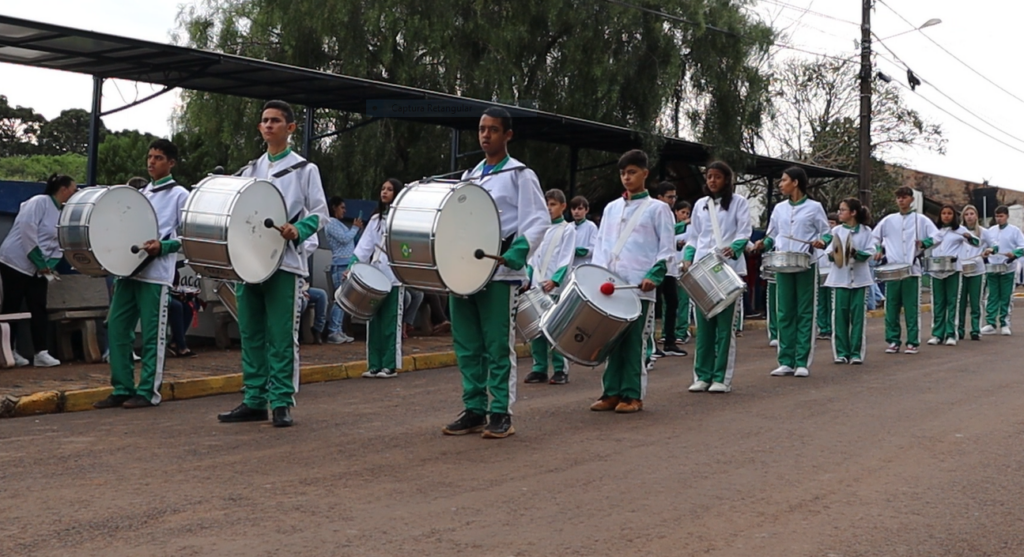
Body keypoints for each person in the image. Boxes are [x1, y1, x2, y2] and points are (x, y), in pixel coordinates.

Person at [217, 100, 329, 427]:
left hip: (285, 262)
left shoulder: (305, 169)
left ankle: (281, 402)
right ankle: (254, 399)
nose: (269, 126)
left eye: (276, 121)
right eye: (265, 121)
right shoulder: (249, 170)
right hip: (248, 262)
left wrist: (299, 229)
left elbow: (319, 213)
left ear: (290, 128)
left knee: (281, 336)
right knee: (250, 333)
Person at [441, 107, 548, 439]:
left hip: (500, 275)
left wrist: (517, 252)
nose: (485, 135)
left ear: (507, 135)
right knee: (468, 345)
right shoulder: (469, 177)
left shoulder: (520, 174)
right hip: (464, 272)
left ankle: (500, 411)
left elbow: (538, 220)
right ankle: (474, 408)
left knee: (497, 346)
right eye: (482, 129)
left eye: (493, 130)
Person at [93, 139, 190, 409]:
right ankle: (122, 387)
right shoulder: (141, 193)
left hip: (155, 275)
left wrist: (164, 246)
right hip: (128, 272)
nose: (151, 162)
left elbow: (189, 236)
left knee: (152, 334)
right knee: (117, 327)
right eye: (150, 156)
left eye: (158, 157)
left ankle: (148, 391)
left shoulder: (180, 195)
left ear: (171, 163)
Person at [588, 150, 674, 413]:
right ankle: (611, 392)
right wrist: (598, 277)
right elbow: (601, 246)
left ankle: (632, 394)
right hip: (611, 287)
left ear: (645, 174)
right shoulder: (612, 208)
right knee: (611, 341)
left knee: (635, 341)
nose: (627, 177)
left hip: (639, 286)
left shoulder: (658, 209)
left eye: (632, 172)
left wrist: (654, 275)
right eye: (623, 173)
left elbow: (667, 248)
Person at [682, 161, 751, 393]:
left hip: (727, 268)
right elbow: (693, 237)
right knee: (703, 325)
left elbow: (744, 232)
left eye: (717, 177)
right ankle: (702, 375)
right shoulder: (700, 205)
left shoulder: (739, 203)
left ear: (727, 179)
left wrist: (735, 247)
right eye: (709, 176)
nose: (712, 181)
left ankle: (721, 377)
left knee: (724, 327)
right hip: (702, 269)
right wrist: (688, 258)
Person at [754, 166, 830, 378]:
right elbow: (772, 235)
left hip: (806, 263)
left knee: (805, 312)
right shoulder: (779, 209)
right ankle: (785, 360)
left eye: (784, 180)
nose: (780, 184)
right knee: (784, 311)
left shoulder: (815, 207)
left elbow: (827, 233)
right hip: (783, 263)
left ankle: (802, 361)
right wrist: (763, 244)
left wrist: (822, 241)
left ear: (795, 182)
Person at [0, 173, 76, 368]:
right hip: (15, 262)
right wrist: (39, 262)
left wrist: (48, 266)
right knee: (12, 305)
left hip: (39, 269)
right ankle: (8, 350)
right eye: (73, 189)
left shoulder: (64, 212)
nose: (75, 193)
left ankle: (41, 352)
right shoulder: (38, 202)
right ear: (63, 189)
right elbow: (27, 230)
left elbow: (60, 242)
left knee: (39, 307)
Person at [872, 186, 938, 354]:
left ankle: (912, 341)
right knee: (891, 307)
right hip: (893, 269)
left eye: (904, 197)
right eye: (899, 197)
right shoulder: (888, 220)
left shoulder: (921, 220)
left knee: (911, 307)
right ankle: (893, 340)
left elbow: (937, 236)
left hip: (911, 268)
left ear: (911, 199)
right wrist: (879, 249)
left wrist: (924, 244)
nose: (901, 200)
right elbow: (874, 237)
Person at [350, 178, 405, 379]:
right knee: (372, 321)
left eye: (390, 189)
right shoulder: (375, 220)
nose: (385, 192)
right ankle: (374, 364)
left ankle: (389, 365)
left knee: (390, 322)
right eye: (383, 189)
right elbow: (364, 247)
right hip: (375, 276)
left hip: (394, 277)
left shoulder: (403, 219)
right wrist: (352, 266)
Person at [523, 188, 576, 385]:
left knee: (555, 329)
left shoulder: (567, 229)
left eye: (553, 204)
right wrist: (527, 279)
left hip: (554, 288)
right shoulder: (540, 229)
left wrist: (555, 280)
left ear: (563, 206)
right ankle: (539, 367)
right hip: (536, 286)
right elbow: (532, 259)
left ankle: (560, 368)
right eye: (546, 204)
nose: (549, 208)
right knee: (536, 329)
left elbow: (566, 258)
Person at [825, 198, 874, 364]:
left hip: (860, 280)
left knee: (858, 318)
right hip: (840, 280)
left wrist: (855, 253)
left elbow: (869, 253)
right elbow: (830, 253)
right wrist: (834, 254)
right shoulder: (836, 231)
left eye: (843, 210)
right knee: (840, 317)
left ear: (853, 212)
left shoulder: (866, 231)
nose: (840, 213)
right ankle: (841, 352)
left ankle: (856, 353)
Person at [926, 204, 976, 346]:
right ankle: (937, 334)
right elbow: (927, 244)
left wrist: (969, 237)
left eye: (949, 213)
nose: (946, 216)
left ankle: (951, 334)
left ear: (954, 216)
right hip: (936, 270)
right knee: (937, 302)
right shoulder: (935, 231)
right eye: (944, 213)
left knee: (952, 301)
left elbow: (976, 243)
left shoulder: (960, 230)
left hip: (953, 269)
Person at [651, 181, 686, 358]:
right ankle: (651, 343)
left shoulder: (670, 215)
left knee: (672, 303)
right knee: (654, 306)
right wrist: (685, 224)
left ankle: (669, 341)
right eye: (669, 197)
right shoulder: (654, 212)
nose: (673, 200)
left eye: (674, 197)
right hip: (656, 266)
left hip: (670, 267)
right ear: (660, 198)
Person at [980, 205, 1024, 336]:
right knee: (992, 295)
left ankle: (1005, 323)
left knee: (1006, 296)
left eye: (1001, 216)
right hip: (992, 267)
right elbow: (985, 245)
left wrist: (1014, 253)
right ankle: (990, 323)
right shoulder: (990, 231)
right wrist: (985, 253)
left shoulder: (1014, 231)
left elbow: (1022, 246)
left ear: (1007, 216)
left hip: (1008, 267)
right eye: (997, 216)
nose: (999, 219)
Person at [324, 196, 361, 344]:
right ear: (334, 207)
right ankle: (333, 330)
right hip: (340, 265)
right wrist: (355, 228)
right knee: (340, 299)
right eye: (342, 208)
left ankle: (338, 329)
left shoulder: (338, 223)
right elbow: (344, 239)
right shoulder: (331, 223)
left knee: (344, 300)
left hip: (346, 264)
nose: (344, 211)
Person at [957, 204, 987, 341]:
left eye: (972, 214)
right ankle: (959, 329)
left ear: (976, 216)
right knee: (960, 302)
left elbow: (993, 245)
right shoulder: (958, 231)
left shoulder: (984, 232)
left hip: (977, 270)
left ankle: (975, 329)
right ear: (963, 216)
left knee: (975, 302)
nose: (969, 217)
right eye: (967, 214)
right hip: (961, 269)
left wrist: (990, 251)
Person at [671, 200, 692, 344]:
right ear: (676, 212)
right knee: (670, 302)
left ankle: (682, 331)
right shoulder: (672, 226)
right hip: (671, 267)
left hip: (685, 268)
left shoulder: (692, 228)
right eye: (682, 212)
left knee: (684, 301)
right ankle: (670, 331)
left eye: (687, 213)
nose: (685, 216)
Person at [167, 265, 199, 358]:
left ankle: (174, 342)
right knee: (177, 306)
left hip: (170, 290)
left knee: (190, 305)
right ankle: (181, 346)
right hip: (158, 291)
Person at [816, 213, 838, 340]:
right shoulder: (818, 236)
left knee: (831, 301)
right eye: (828, 222)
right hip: (819, 270)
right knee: (820, 301)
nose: (830, 225)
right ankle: (822, 328)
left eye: (832, 223)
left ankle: (831, 327)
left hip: (831, 270)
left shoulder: (836, 234)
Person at [570, 196, 598, 268]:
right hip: (569, 267)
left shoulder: (591, 227)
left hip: (584, 267)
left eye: (580, 208)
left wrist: (580, 251)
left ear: (587, 210)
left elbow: (594, 248)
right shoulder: (568, 227)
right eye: (574, 209)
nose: (576, 211)